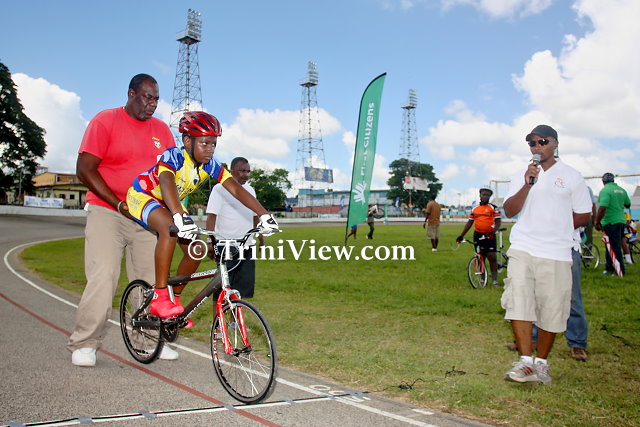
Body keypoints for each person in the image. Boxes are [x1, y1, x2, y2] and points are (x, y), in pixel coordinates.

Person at [126, 111, 279, 322]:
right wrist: (178, 214)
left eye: (214, 144)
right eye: (205, 143)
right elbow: (167, 181)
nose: (210, 149)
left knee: (197, 250)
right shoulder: (173, 156)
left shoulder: (210, 165)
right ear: (187, 141)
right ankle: (160, 297)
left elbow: (236, 189)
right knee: (169, 228)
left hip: (170, 205)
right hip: (144, 196)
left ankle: (174, 300)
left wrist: (264, 214)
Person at [68, 74, 177, 367]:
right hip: (108, 209)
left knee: (151, 281)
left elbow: (169, 176)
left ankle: (149, 341)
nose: (152, 104)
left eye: (156, 99)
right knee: (104, 275)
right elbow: (84, 169)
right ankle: (85, 343)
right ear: (131, 94)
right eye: (147, 97)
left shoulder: (162, 131)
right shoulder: (105, 121)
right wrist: (117, 203)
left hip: (145, 214)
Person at [501, 124, 591, 384]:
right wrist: (527, 185)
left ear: (555, 143)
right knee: (518, 300)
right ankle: (525, 362)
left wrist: (557, 228)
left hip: (556, 251)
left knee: (552, 308)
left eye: (542, 141)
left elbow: (583, 214)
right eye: (532, 143)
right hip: (523, 247)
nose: (537, 146)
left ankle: (541, 364)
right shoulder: (522, 175)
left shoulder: (572, 176)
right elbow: (509, 210)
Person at [206, 156, 264, 299]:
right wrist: (210, 242)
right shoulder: (219, 189)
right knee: (221, 290)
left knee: (242, 291)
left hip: (247, 245)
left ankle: (236, 314)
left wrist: (261, 239)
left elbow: (255, 217)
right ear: (231, 171)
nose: (246, 174)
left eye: (248, 171)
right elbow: (212, 216)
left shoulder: (250, 190)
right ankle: (218, 315)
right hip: (226, 245)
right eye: (242, 171)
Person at [456, 187, 502, 287]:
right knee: (480, 257)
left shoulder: (493, 208)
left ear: (490, 197)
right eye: (483, 194)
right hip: (478, 235)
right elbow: (469, 223)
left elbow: (498, 221)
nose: (485, 196)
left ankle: (495, 280)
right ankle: (482, 279)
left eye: (487, 195)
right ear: (480, 195)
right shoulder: (475, 209)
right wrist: (461, 235)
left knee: (492, 257)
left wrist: (493, 232)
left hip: (490, 235)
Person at [594, 173, 631, 276]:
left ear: (603, 181)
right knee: (609, 245)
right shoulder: (622, 190)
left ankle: (619, 270)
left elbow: (602, 207)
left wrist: (597, 221)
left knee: (614, 246)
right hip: (621, 221)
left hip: (610, 222)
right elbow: (628, 204)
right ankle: (609, 267)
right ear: (613, 180)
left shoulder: (605, 191)